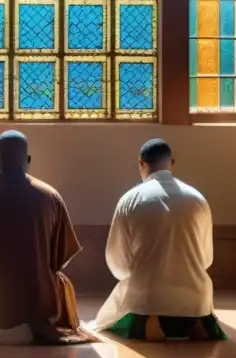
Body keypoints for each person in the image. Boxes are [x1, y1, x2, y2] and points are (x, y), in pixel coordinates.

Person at [0, 131, 89, 345]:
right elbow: (60, 260)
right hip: (35, 312)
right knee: (59, 279)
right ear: (28, 161)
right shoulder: (49, 197)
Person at [93, 139, 225, 341]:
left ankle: (150, 324)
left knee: (108, 318)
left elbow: (118, 265)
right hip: (195, 304)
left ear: (141, 164)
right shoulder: (198, 199)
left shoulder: (131, 199)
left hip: (147, 305)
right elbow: (206, 259)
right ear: (172, 163)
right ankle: (196, 324)